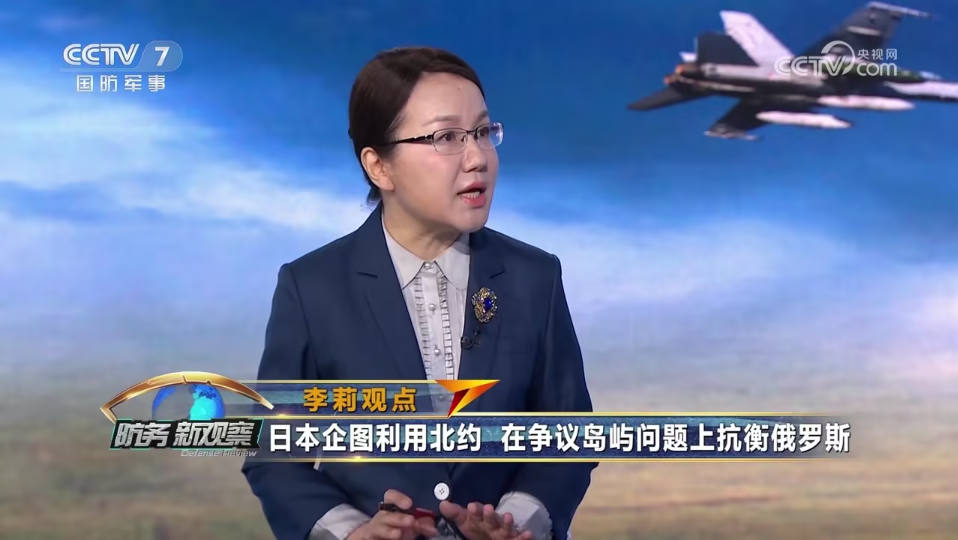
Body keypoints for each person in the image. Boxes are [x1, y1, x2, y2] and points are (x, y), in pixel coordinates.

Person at [242, 46, 596, 540]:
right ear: (379, 167)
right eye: (446, 137)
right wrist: (351, 532)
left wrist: (515, 521)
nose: (477, 158)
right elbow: (274, 456)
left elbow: (569, 436)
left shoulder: (534, 277)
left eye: (483, 132)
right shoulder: (313, 287)